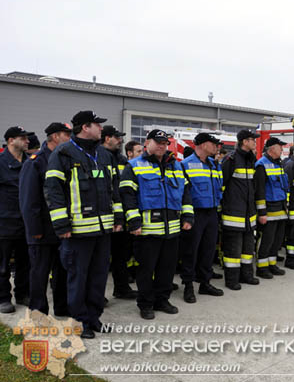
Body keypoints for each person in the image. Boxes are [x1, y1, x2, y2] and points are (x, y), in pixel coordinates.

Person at [44, 111, 123, 338]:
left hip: (103, 231)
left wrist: (118, 218)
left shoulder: (104, 154)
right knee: (78, 279)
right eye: (98, 125)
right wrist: (62, 225)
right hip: (77, 232)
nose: (102, 129)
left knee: (98, 278)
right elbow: (53, 190)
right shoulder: (63, 153)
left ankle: (93, 318)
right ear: (85, 127)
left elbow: (113, 189)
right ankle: (79, 322)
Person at [120, 129, 194, 319]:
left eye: (165, 143)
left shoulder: (176, 166)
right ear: (147, 142)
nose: (162, 145)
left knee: (167, 270)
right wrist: (134, 222)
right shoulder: (134, 166)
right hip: (146, 231)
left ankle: (162, 300)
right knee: (146, 270)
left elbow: (185, 193)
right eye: (158, 142)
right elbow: (127, 197)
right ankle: (145, 304)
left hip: (172, 230)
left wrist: (188, 217)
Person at [19, 122, 71, 316]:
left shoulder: (63, 160)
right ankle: (38, 312)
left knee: (62, 271)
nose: (70, 138)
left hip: (61, 228)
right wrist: (34, 230)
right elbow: (28, 200)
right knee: (40, 273)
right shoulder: (35, 162)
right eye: (67, 135)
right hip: (41, 230)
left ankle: (62, 307)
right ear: (55, 137)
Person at [179, 132, 224, 303]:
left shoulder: (214, 164)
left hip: (212, 212)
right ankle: (188, 285)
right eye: (213, 144)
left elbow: (219, 188)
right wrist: (186, 216)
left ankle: (205, 283)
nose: (216, 147)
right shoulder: (185, 164)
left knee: (208, 249)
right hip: (195, 213)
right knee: (191, 250)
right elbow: (184, 192)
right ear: (203, 145)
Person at [220, 130, 260, 290]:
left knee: (247, 249)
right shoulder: (231, 159)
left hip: (248, 213)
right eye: (252, 140)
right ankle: (231, 280)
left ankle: (247, 275)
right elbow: (222, 185)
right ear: (244, 141)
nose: (255, 142)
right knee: (233, 250)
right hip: (234, 213)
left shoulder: (250, 159)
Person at [101, 125, 137, 300]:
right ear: (107, 138)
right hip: (104, 217)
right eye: (117, 137)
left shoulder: (123, 160)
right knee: (100, 260)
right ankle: (97, 295)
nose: (120, 140)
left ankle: (121, 288)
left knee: (121, 256)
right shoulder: (98, 157)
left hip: (122, 215)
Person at [0, 126, 33, 313]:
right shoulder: (1, 162)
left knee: (25, 262)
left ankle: (23, 294)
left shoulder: (30, 162)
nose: (27, 141)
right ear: (11, 140)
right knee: (3, 265)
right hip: (4, 222)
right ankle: (3, 297)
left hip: (25, 222)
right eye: (23, 138)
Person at [254, 137, 289, 277]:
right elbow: (259, 191)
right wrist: (261, 212)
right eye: (280, 146)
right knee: (266, 239)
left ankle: (271, 264)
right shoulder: (261, 165)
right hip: (268, 209)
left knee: (277, 240)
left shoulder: (278, 164)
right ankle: (262, 268)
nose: (282, 149)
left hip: (280, 208)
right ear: (271, 148)